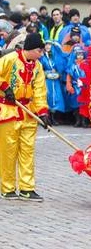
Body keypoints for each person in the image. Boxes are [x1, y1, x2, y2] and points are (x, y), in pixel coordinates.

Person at [0, 33, 50, 201]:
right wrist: (5, 88)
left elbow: (40, 90)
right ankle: (7, 187)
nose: (41, 54)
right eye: (39, 50)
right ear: (30, 49)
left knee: (28, 151)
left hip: (28, 112)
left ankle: (27, 188)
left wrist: (43, 112)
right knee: (8, 151)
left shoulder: (38, 67)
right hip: (8, 111)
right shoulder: (10, 59)